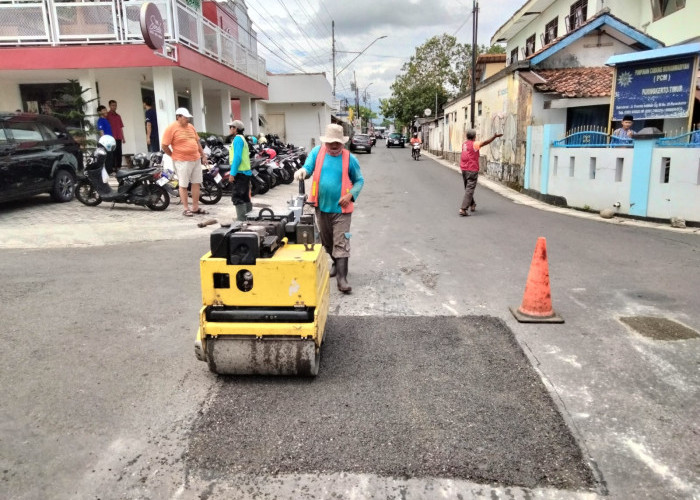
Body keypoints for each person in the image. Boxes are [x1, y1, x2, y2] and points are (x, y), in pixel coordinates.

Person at [294, 124, 364, 294]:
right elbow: (309, 168)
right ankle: (335, 263)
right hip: (321, 206)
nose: (334, 146)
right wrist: (303, 171)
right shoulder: (317, 153)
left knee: (341, 241)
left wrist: (350, 195)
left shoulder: (349, 158)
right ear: (325, 142)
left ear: (342, 143)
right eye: (331, 143)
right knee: (327, 241)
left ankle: (342, 279)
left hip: (342, 209)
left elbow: (359, 180)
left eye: (337, 143)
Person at [161, 108, 208, 217]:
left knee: (196, 182)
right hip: (182, 160)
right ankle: (186, 208)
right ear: (178, 117)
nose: (187, 119)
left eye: (188, 118)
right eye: (185, 117)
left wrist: (203, 155)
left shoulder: (191, 127)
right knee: (183, 184)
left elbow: (197, 142)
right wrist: (172, 155)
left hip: (195, 158)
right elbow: (164, 145)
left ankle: (195, 207)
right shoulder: (171, 128)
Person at [458, 129, 502, 217]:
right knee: (469, 189)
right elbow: (486, 142)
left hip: (464, 169)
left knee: (468, 188)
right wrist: (494, 136)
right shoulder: (475, 144)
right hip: (472, 169)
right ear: (474, 137)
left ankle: (472, 204)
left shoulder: (464, 144)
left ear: (467, 136)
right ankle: (463, 209)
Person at [227, 120, 253, 221]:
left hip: (240, 173)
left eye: (231, 127)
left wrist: (232, 173)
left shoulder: (237, 139)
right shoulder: (242, 138)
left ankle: (241, 221)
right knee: (245, 197)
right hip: (245, 172)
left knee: (237, 197)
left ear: (236, 129)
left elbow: (237, 157)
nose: (229, 129)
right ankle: (249, 219)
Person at [106, 100, 125, 172]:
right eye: (112, 105)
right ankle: (113, 168)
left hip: (119, 137)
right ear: (109, 106)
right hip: (111, 137)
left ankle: (119, 167)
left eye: (115, 105)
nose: (114, 107)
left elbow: (121, 127)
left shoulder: (118, 116)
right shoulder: (107, 116)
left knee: (119, 152)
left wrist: (123, 138)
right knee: (112, 153)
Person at [96, 105, 115, 174]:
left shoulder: (106, 120)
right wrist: (105, 142)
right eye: (103, 110)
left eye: (106, 110)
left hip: (110, 142)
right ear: (99, 112)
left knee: (110, 157)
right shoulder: (100, 121)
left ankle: (110, 170)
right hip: (105, 142)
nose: (106, 111)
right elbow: (101, 132)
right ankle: (108, 171)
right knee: (107, 157)